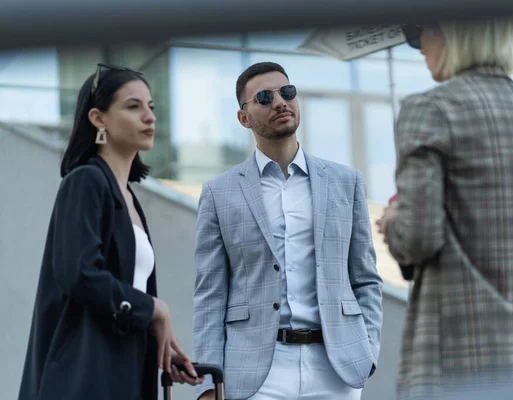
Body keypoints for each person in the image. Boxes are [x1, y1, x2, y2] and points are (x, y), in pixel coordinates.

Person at [376, 19, 513, 399]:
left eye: (420, 32)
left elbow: (418, 237)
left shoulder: (429, 110)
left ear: (454, 33)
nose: (418, 45)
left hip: (460, 367)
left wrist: (393, 220)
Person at [188, 62, 383, 400]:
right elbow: (210, 294)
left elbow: (365, 277)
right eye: (264, 97)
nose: (280, 102)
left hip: (336, 367)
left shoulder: (345, 182)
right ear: (243, 117)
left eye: (287, 92)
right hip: (255, 370)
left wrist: (367, 347)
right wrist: (209, 381)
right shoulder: (218, 193)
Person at [18, 63, 202, 400]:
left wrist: (158, 341)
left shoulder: (128, 197)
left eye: (151, 107)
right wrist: (152, 309)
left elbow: (120, 294)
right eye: (133, 107)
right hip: (85, 376)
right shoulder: (86, 181)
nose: (149, 117)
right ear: (98, 119)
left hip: (126, 371)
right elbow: (79, 273)